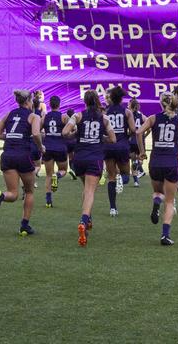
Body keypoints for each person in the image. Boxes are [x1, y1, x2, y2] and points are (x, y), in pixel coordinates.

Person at [136, 92, 178, 246]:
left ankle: (155, 203)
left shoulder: (153, 118)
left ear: (161, 103)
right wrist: (175, 142)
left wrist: (142, 152)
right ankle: (165, 235)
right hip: (171, 163)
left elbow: (138, 132)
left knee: (158, 192)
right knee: (169, 201)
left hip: (155, 162)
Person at [62, 90, 115, 247]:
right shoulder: (104, 118)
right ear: (97, 101)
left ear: (85, 102)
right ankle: (83, 221)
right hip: (95, 157)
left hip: (79, 158)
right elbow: (113, 139)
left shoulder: (78, 116)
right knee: (90, 191)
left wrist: (77, 133)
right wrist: (100, 137)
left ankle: (89, 218)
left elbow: (65, 132)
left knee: (86, 189)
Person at [0, 89, 44, 236]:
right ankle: (24, 225)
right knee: (29, 191)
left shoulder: (9, 114)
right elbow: (35, 134)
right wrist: (41, 147)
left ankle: (1, 196)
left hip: (7, 155)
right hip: (23, 155)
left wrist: (12, 137)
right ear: (28, 101)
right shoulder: (33, 116)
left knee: (13, 194)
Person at [103, 86, 137, 216]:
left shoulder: (105, 112)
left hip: (109, 146)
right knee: (126, 176)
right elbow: (133, 130)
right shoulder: (127, 112)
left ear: (111, 98)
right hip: (122, 145)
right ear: (121, 98)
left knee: (111, 177)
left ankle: (113, 208)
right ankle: (120, 180)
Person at [41, 95, 69, 208]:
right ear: (59, 104)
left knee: (48, 174)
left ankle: (48, 200)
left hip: (47, 147)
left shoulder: (45, 117)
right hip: (60, 147)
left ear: (49, 105)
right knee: (63, 170)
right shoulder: (63, 117)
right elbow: (71, 129)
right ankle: (57, 176)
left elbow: (37, 131)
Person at [128, 99, 147, 187]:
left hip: (131, 140)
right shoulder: (142, 116)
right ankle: (139, 166)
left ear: (131, 106)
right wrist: (144, 135)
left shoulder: (128, 115)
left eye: (128, 104)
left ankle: (136, 181)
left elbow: (128, 129)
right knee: (140, 159)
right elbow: (149, 128)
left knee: (133, 160)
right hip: (140, 141)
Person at [30, 97, 44, 180]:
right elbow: (40, 129)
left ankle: (33, 177)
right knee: (38, 165)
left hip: (27, 140)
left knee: (30, 163)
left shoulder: (28, 113)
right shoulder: (40, 114)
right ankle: (33, 176)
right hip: (35, 139)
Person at [65, 108, 78, 180]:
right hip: (74, 141)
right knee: (75, 156)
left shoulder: (65, 121)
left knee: (70, 157)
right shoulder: (74, 120)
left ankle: (72, 170)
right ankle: (75, 170)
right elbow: (76, 129)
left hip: (67, 142)